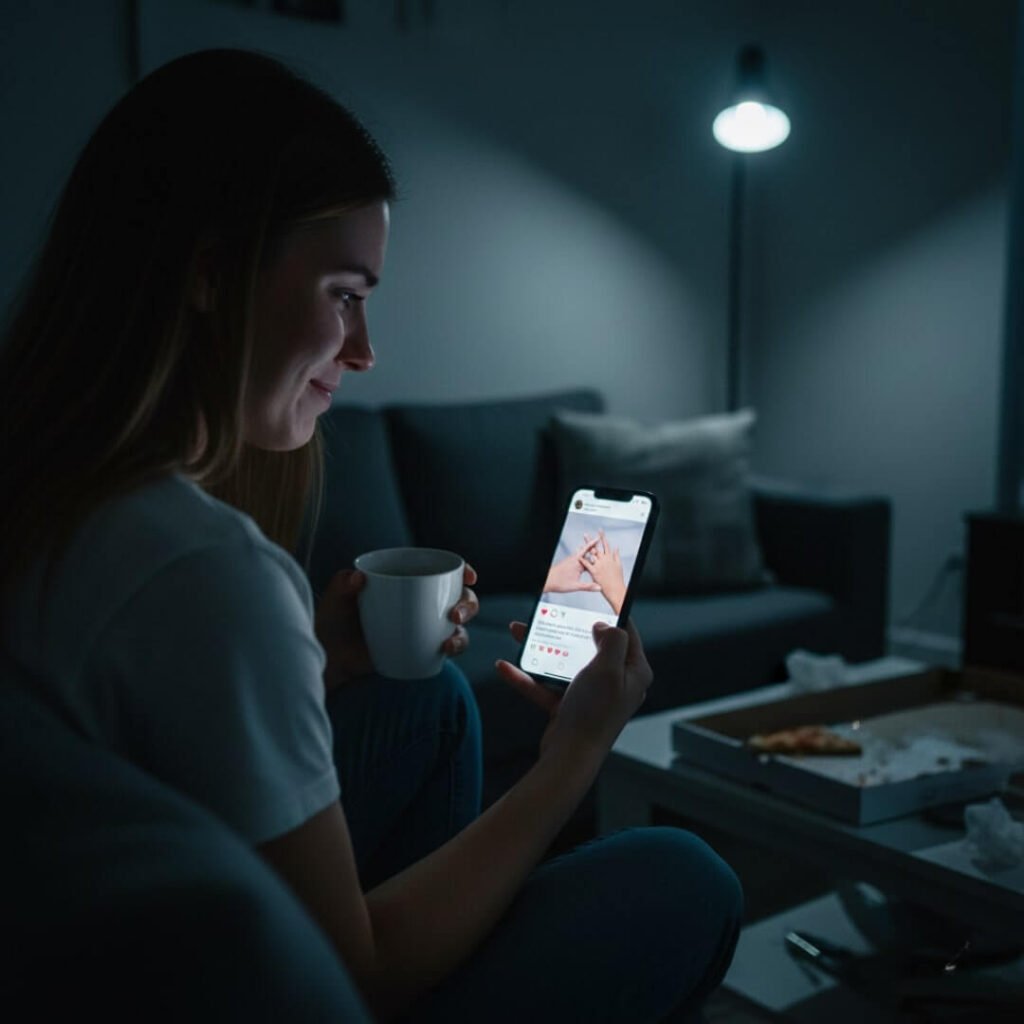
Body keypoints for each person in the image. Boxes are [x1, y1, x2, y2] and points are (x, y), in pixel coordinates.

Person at [0, 49, 742, 1022]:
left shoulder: (51, 493)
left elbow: (147, 768)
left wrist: (316, 662)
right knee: (684, 874)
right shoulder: (208, 567)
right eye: (344, 293)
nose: (363, 350)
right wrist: (575, 753)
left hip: (98, 941)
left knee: (427, 697)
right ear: (213, 275)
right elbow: (355, 972)